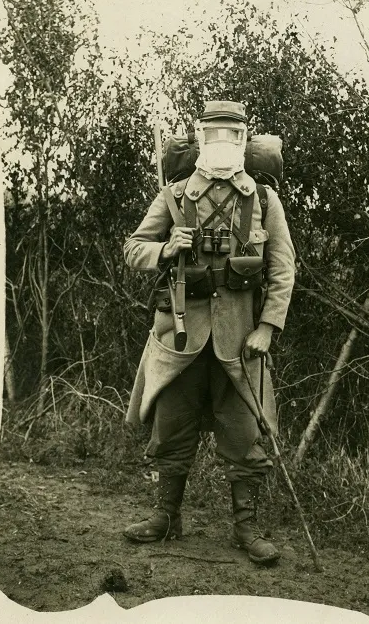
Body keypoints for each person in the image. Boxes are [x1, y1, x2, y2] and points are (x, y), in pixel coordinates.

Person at [123, 100, 295, 565]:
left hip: (241, 341)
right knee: (171, 428)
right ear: (199, 137)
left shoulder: (262, 199)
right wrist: (164, 249)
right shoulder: (174, 195)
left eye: (231, 135)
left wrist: (267, 327)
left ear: (243, 140)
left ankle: (246, 528)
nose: (221, 143)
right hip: (179, 336)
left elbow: (283, 269)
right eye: (213, 133)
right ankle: (165, 518)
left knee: (244, 434)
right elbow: (132, 249)